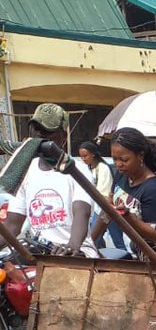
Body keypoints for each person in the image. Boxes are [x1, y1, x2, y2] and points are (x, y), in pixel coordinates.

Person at [91, 127, 156, 269]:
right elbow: (108, 209)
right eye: (115, 159)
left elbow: (154, 235)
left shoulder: (153, 188)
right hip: (145, 249)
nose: (118, 164)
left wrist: (128, 216)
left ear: (140, 155)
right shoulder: (122, 175)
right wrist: (89, 242)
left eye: (124, 159)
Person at [5, 104, 95, 256]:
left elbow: (82, 212)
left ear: (63, 134)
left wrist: (72, 245)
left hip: (76, 253)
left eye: (48, 130)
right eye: (36, 129)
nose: (40, 134)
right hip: (40, 253)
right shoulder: (25, 171)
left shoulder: (77, 170)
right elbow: (12, 226)